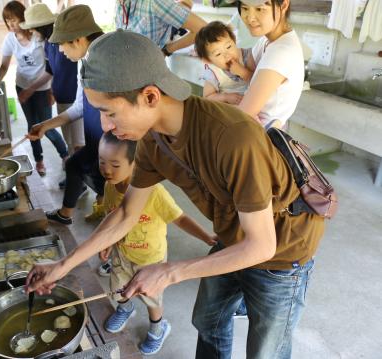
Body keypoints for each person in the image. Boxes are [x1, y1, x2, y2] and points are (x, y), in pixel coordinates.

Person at [26, 28, 325, 359]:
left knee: (266, 349)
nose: (105, 125)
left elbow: (262, 245)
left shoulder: (233, 137)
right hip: (234, 232)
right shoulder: (153, 141)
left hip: (281, 249)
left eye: (110, 111)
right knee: (208, 318)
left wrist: (170, 271)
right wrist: (63, 266)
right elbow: (127, 214)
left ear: (151, 97)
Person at [100, 131, 219, 354]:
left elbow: (180, 218)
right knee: (117, 288)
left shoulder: (154, 192)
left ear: (134, 164)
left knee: (151, 298)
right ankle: (125, 309)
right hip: (121, 254)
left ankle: (158, 327)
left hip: (150, 260)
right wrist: (107, 242)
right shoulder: (109, 186)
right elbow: (110, 216)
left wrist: (205, 236)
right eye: (102, 162)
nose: (106, 169)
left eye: (115, 164)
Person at [26, 5, 106, 224]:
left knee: (113, 191)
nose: (60, 50)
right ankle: (66, 214)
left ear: (78, 39)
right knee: (74, 165)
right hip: (96, 140)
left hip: (110, 144)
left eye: (62, 44)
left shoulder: (107, 61)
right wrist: (45, 125)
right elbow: (80, 107)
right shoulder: (86, 61)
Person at [0, 1, 68, 176]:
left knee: (47, 127)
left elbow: (51, 68)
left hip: (43, 88)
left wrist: (52, 90)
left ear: (24, 19)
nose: (11, 24)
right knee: (32, 126)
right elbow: (3, 67)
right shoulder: (10, 39)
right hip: (22, 86)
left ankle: (65, 156)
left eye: (14, 20)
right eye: (7, 20)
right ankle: (39, 161)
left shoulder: (40, 36)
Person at [19, 3, 84, 188]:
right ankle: (76, 180)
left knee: (78, 144)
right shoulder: (48, 44)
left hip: (75, 100)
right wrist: (34, 88)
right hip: (62, 99)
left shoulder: (66, 42)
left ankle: (79, 183)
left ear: (41, 27)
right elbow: (50, 71)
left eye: (32, 28)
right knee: (71, 144)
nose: (31, 31)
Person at [236, 0, 305, 130]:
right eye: (245, 8)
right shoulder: (265, 41)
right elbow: (248, 74)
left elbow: (243, 115)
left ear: (284, 5)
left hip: (260, 139)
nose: (250, 18)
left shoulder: (281, 52)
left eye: (260, 9)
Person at [116, 0, 207, 55]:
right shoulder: (120, 4)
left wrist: (167, 50)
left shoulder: (155, 3)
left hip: (147, 74)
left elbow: (203, 29)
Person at [195, 20, 254, 105]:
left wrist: (242, 72)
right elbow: (207, 97)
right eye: (218, 54)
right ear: (208, 60)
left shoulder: (247, 56)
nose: (227, 55)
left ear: (234, 41)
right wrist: (226, 97)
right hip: (229, 108)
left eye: (229, 46)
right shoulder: (213, 72)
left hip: (253, 102)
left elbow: (259, 81)